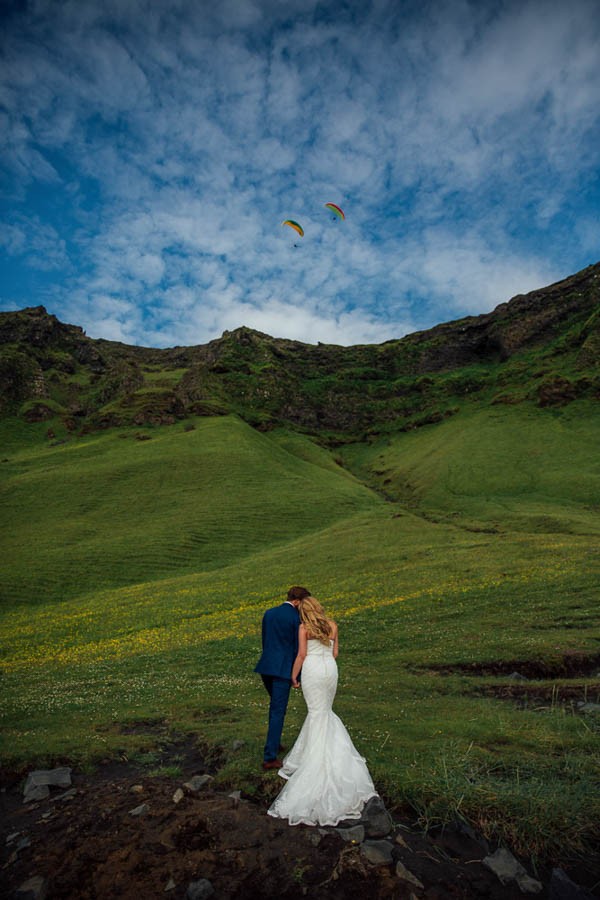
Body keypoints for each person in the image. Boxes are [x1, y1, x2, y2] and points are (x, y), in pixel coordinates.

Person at [267, 595, 377, 826]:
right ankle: (328, 750)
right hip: (330, 669)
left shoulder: (304, 628)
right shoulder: (333, 626)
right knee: (324, 711)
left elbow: (301, 655)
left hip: (313, 670)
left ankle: (313, 758)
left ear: (304, 611)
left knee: (316, 712)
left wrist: (293, 676)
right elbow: (335, 653)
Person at [255, 585, 311, 770]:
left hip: (266, 666)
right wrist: (298, 676)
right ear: (298, 601)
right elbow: (298, 649)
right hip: (283, 670)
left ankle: (275, 741)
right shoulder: (297, 619)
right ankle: (269, 758)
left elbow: (265, 641)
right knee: (278, 710)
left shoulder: (269, 613)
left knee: (277, 707)